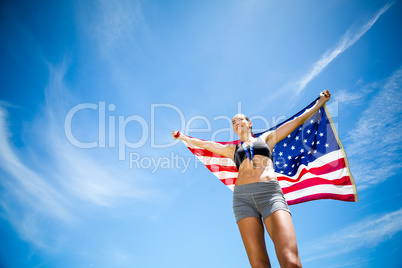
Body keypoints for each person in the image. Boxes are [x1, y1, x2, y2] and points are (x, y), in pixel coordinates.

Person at [172, 90, 331, 268]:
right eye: (233, 122)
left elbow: (297, 121)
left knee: (290, 260)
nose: (236, 123)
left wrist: (319, 102)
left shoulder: (267, 138)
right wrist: (184, 137)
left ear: (249, 123)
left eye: (240, 119)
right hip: (242, 199)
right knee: (259, 264)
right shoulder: (231, 149)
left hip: (270, 194)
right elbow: (208, 145)